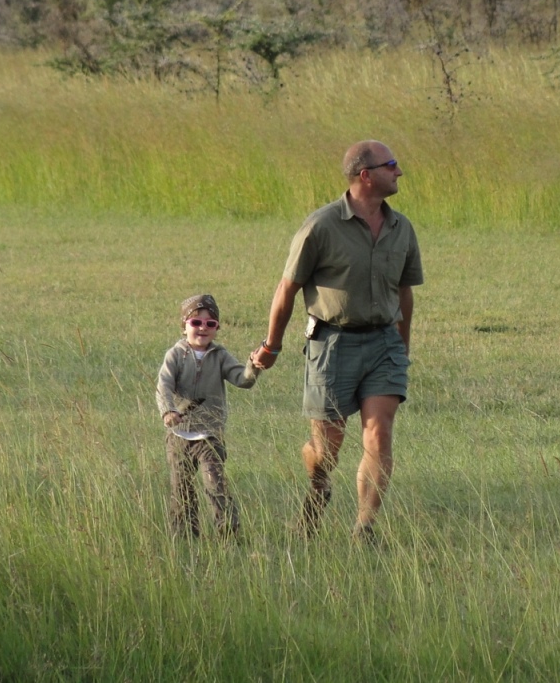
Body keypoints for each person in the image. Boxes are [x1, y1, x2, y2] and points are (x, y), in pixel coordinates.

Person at [251, 140, 423, 542]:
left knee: (379, 433)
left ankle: (364, 527)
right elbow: (286, 289)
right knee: (327, 450)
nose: (399, 172)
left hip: (384, 344)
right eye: (391, 165)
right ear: (366, 175)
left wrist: (402, 346)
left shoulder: (402, 228)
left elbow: (405, 292)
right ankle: (318, 489)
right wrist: (271, 346)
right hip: (332, 344)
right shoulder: (321, 226)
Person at [156, 293, 261, 538]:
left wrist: (254, 365)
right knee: (181, 489)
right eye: (196, 322)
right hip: (179, 435)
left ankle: (229, 533)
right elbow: (163, 385)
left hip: (210, 436)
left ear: (216, 328)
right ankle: (185, 537)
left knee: (215, 484)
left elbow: (242, 380)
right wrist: (168, 411)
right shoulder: (175, 355)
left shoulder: (220, 356)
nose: (203, 328)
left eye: (210, 324)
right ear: (184, 326)